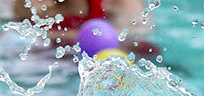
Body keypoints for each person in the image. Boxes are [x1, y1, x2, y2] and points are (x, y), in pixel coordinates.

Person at [10, 0, 159, 58]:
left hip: (106, 54)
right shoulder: (33, 3)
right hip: (51, 57)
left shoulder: (118, 2)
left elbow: (138, 29)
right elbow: (13, 26)